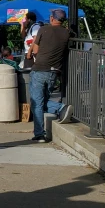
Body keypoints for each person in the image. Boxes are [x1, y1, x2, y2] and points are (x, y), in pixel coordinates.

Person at [29, 9, 74, 143]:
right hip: (54, 72)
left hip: (39, 69)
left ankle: (39, 133)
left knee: (37, 103)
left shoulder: (43, 30)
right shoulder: (67, 33)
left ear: (52, 18)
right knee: (42, 100)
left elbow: (35, 50)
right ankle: (60, 108)